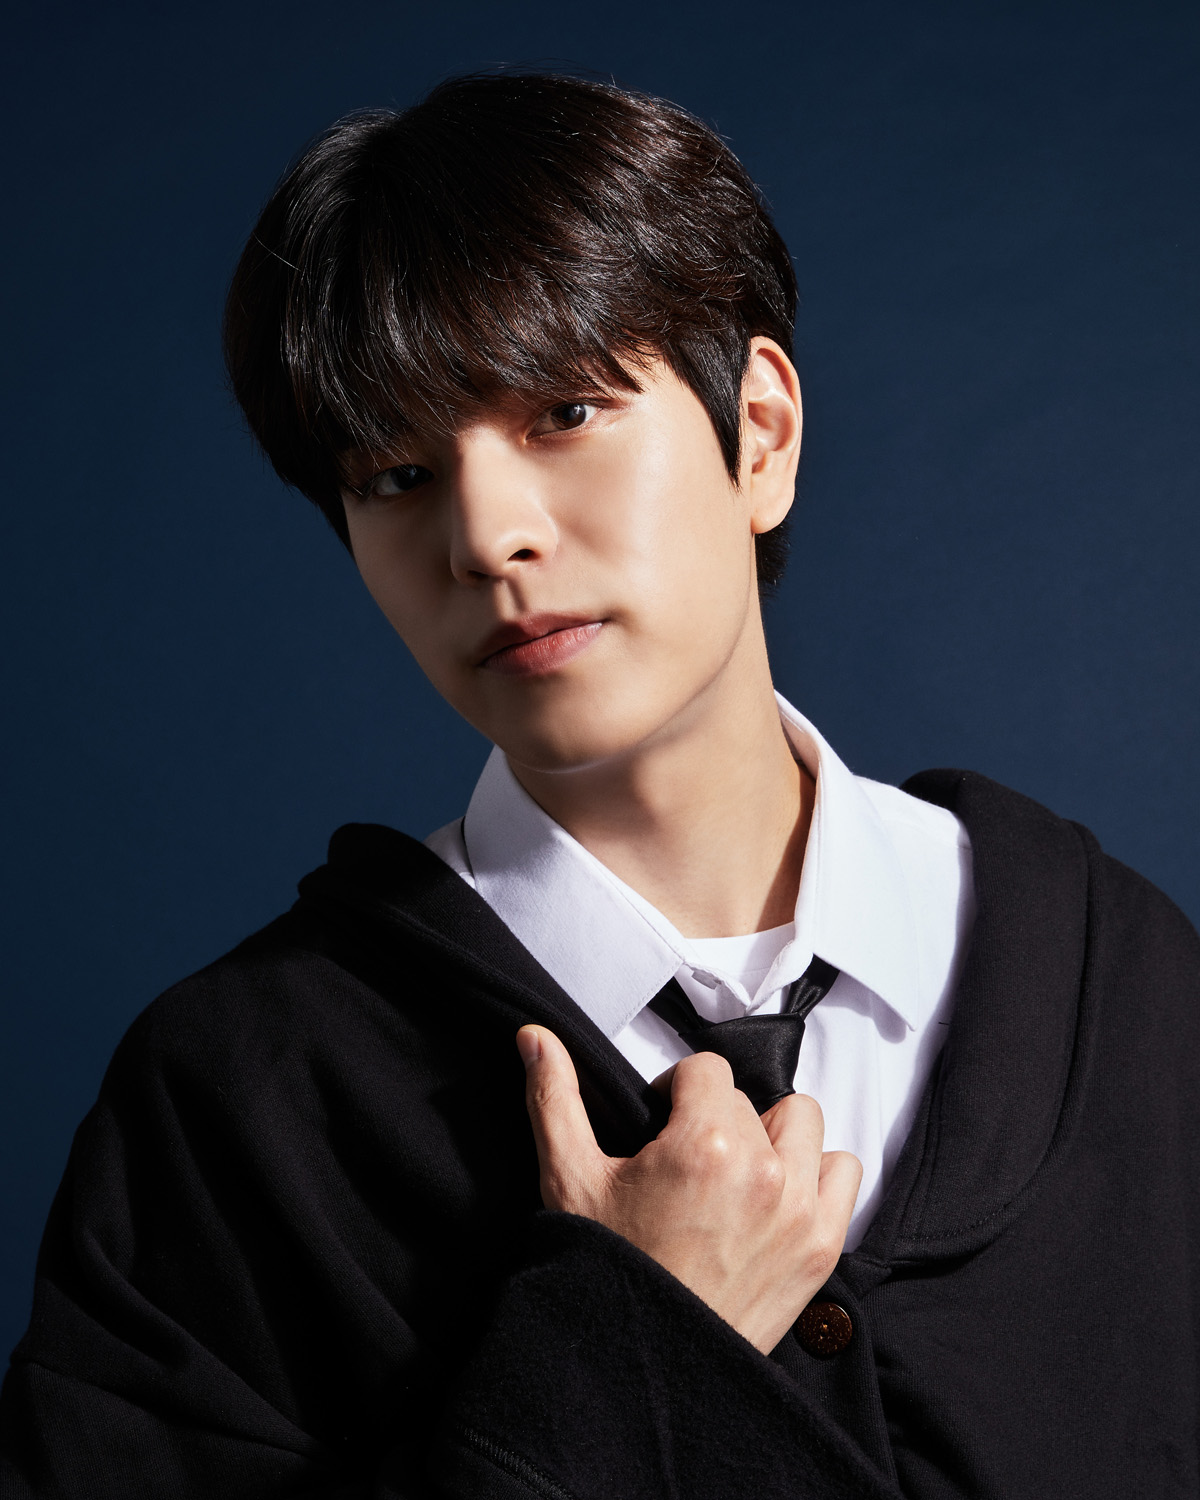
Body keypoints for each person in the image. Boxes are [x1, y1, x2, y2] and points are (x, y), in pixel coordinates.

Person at [2, 70, 1198, 1500]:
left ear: (760, 433)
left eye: (564, 410)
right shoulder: (241, 1099)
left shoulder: (1117, 971)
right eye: (394, 477)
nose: (485, 535)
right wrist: (628, 1349)